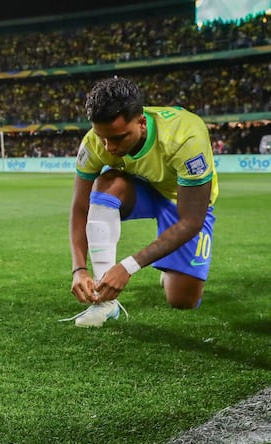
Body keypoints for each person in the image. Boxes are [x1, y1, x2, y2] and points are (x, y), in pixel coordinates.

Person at [63, 76, 218, 327]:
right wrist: (79, 269)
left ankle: (172, 269)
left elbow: (191, 221)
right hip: (141, 191)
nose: (108, 147)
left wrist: (128, 266)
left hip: (183, 201)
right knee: (105, 184)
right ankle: (104, 302)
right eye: (102, 137)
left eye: (118, 138)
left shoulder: (186, 136)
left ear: (142, 123)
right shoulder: (94, 143)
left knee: (182, 300)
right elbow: (80, 207)